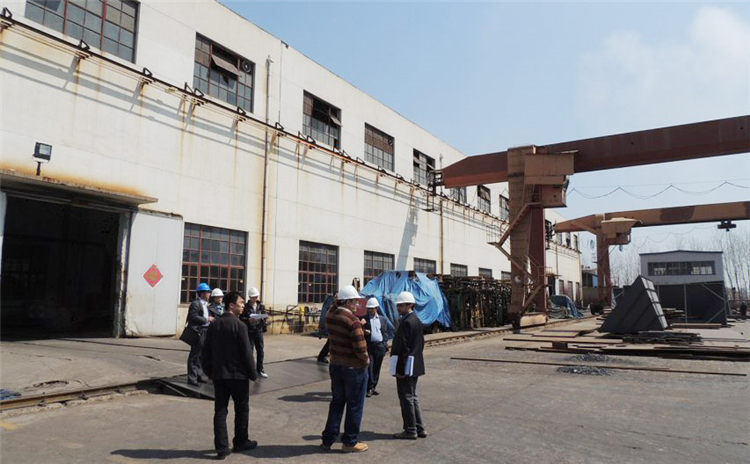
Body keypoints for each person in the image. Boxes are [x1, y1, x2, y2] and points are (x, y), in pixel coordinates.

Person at [202, 291, 258, 460]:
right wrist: (253, 374)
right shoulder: (240, 326)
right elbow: (247, 353)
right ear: (231, 305)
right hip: (238, 376)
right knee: (242, 409)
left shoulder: (215, 325)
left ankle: (222, 448)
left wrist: (210, 372)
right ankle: (240, 441)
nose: (243, 305)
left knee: (220, 410)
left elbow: (206, 352)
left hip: (220, 375)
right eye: (240, 303)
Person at [321, 285, 370, 453]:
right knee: (355, 406)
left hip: (336, 365)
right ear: (348, 302)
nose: (357, 305)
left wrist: (338, 300)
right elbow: (361, 349)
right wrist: (366, 360)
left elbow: (334, 306)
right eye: (355, 301)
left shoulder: (331, 316)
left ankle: (327, 440)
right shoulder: (353, 322)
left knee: (337, 403)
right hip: (353, 369)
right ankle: (349, 442)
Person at [391, 291, 427, 440]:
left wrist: (400, 370)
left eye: (401, 305)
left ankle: (410, 430)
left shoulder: (406, 322)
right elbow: (420, 344)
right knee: (412, 397)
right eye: (398, 305)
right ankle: (419, 428)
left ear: (410, 305)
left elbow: (403, 348)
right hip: (415, 364)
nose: (398, 308)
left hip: (406, 366)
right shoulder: (416, 320)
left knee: (406, 398)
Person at [186, 282, 214, 386]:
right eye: (208, 292)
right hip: (198, 331)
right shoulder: (196, 304)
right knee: (195, 355)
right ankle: (192, 378)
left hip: (205, 330)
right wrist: (207, 319)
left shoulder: (205, 305)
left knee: (201, 355)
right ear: (202, 293)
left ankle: (199, 375)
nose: (209, 294)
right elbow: (193, 316)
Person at [361, 297, 389, 397]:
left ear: (376, 308)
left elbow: (385, 332)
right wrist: (363, 329)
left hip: (380, 346)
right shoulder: (364, 319)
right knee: (370, 367)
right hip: (370, 346)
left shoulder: (382, 319)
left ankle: (373, 387)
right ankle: (369, 387)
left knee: (377, 368)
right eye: (368, 308)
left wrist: (384, 344)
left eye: (371, 308)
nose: (369, 310)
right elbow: (358, 331)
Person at [240, 287, 268, 378]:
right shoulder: (245, 306)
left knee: (260, 351)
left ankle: (260, 369)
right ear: (249, 297)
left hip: (258, 330)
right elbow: (241, 318)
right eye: (253, 297)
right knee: (250, 351)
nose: (254, 299)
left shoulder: (261, 306)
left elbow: (264, 315)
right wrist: (248, 320)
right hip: (250, 331)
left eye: (256, 297)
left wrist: (263, 318)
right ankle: (250, 370)